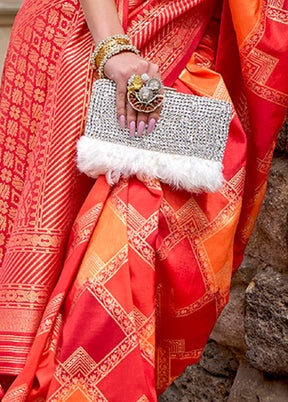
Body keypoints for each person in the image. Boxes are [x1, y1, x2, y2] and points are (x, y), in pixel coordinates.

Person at [0, 0, 287, 400]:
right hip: (82, 42)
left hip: (181, 58)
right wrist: (113, 49)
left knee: (110, 290)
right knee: (53, 278)